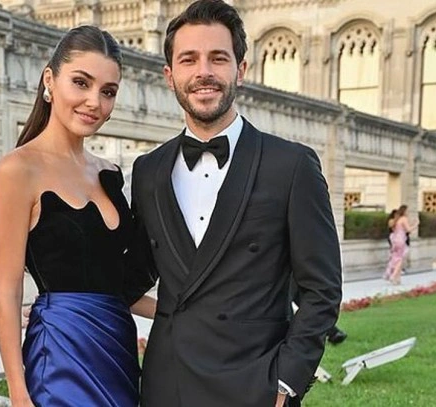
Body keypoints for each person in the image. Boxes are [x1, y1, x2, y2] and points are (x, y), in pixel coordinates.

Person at [129, 1, 343, 406]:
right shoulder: (148, 170)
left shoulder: (291, 165)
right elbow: (132, 274)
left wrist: (286, 382)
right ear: (169, 75)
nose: (203, 72)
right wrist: (60, 298)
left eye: (218, 58)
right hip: (167, 384)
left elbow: (322, 289)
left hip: (255, 383)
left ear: (241, 70)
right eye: (189, 59)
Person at [0, 25, 155, 407]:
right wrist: (18, 392)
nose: (94, 101)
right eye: (81, 83)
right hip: (61, 355)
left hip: (117, 350)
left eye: (108, 91)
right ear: (50, 80)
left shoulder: (110, 174)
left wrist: (186, 315)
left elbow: (116, 285)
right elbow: (7, 292)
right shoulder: (18, 170)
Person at [385, 204, 419, 285]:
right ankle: (393, 276)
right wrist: (416, 224)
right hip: (401, 239)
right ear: (404, 211)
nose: (408, 213)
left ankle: (397, 279)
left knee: (395, 257)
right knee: (400, 259)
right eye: (407, 211)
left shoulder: (396, 219)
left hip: (394, 240)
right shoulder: (403, 219)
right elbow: (408, 230)